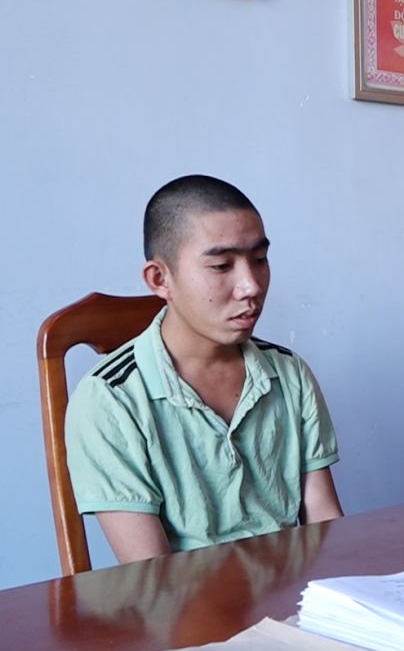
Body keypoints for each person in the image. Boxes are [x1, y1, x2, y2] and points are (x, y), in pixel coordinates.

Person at [66, 175, 342, 563]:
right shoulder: (111, 400)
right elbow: (152, 576)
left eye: (259, 260)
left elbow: (326, 528)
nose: (250, 286)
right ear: (160, 279)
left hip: (296, 591)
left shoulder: (288, 374)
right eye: (221, 265)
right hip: (184, 599)